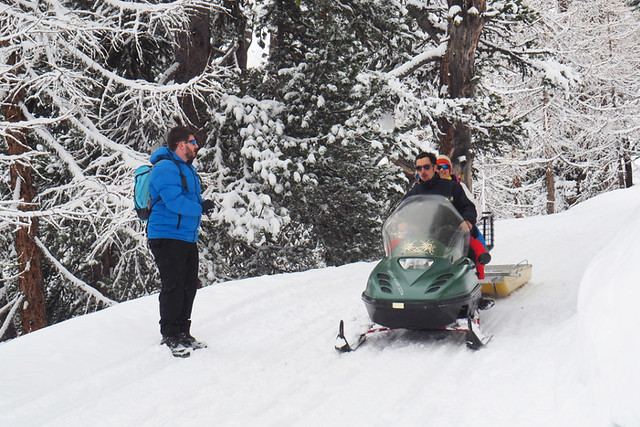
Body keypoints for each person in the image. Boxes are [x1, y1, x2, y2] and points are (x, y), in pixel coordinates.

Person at [147, 126, 216, 358]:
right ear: (181, 144)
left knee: (188, 285)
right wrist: (199, 207)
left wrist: (202, 204)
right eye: (192, 141)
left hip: (185, 235)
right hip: (166, 236)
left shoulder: (186, 168)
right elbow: (174, 202)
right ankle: (170, 335)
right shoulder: (165, 168)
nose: (196, 145)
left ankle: (183, 332)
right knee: (173, 285)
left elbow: (186, 199)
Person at [405, 152, 490, 278]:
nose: (423, 171)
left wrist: (467, 221)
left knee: (476, 250)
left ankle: (478, 285)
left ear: (434, 167)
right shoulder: (414, 194)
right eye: (419, 168)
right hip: (422, 237)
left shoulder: (452, 187)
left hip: (452, 235)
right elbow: (403, 211)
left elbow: (468, 206)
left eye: (426, 167)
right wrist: (402, 223)